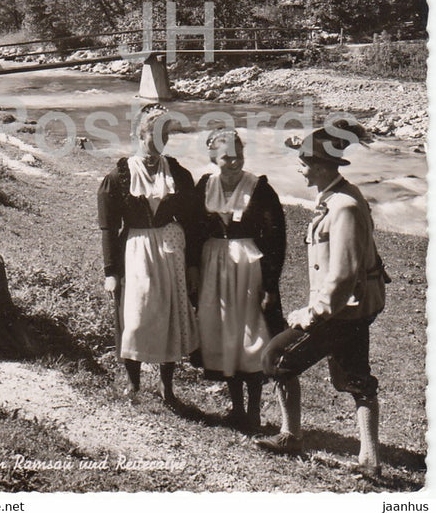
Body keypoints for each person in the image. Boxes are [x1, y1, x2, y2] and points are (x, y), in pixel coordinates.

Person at [259, 121, 388, 476]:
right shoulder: (339, 196)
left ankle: (291, 435)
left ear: (322, 166)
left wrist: (312, 314)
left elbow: (344, 275)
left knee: (275, 359)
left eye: (304, 162)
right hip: (352, 309)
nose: (299, 168)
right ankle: (370, 459)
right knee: (356, 376)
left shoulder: (342, 207)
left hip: (340, 311)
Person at [97, 104, 200, 405]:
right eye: (153, 134)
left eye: (165, 134)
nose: (159, 141)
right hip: (135, 251)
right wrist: (110, 272)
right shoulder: (119, 177)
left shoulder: (178, 174)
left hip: (171, 251)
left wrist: (193, 264)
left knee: (168, 315)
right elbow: (108, 229)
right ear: (139, 134)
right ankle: (134, 383)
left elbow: (192, 223)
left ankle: (167, 386)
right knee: (137, 317)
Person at [195, 127, 293, 432]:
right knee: (225, 333)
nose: (233, 162)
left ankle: (252, 411)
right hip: (214, 268)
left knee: (252, 333)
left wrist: (270, 284)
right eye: (226, 157)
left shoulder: (260, 188)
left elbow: (277, 240)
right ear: (213, 157)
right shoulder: (204, 185)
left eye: (238, 156)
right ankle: (235, 408)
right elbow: (194, 230)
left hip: (249, 270)